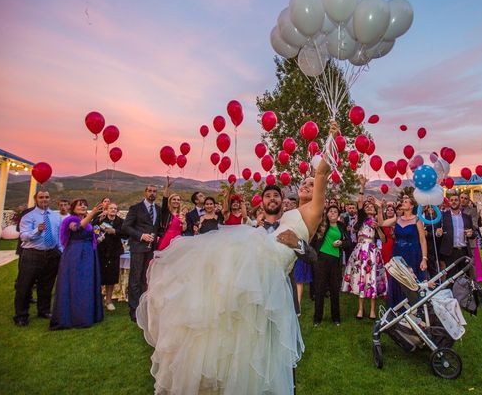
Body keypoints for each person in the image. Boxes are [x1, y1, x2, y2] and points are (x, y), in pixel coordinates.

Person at [136, 124, 335, 394]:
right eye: (305, 182)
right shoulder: (291, 211)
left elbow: (322, 171)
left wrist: (331, 134)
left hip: (270, 266)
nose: (307, 184)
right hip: (262, 261)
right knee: (230, 311)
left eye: (311, 185)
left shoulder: (314, 211)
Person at [50, 199, 104, 329]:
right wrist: (93, 214)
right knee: (76, 282)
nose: (84, 206)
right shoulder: (70, 220)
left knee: (86, 283)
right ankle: (74, 316)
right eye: (80, 205)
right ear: (73, 208)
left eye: (85, 204)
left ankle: (87, 314)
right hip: (75, 254)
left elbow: (89, 233)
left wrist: (98, 238)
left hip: (89, 253)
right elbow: (78, 228)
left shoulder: (87, 220)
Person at [14, 191, 62, 326]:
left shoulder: (55, 216)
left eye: (47, 197)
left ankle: (44, 310)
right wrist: (37, 230)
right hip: (32, 253)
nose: (44, 199)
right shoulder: (29, 216)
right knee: (25, 285)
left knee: (47, 284)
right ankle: (21, 315)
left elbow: (58, 236)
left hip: (51, 253)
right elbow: (23, 236)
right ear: (36, 199)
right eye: (41, 197)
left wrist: (60, 251)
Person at [342, 176, 387, 320]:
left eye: (371, 206)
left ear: (374, 210)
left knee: (371, 278)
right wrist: (362, 185)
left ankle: (373, 310)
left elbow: (384, 239)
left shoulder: (378, 221)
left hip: (372, 251)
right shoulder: (361, 219)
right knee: (361, 278)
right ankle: (360, 309)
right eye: (367, 206)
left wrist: (378, 228)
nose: (368, 207)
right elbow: (360, 201)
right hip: (360, 250)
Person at [378, 194, 428, 309]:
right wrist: (380, 208)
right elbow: (382, 223)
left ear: (411, 206)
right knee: (397, 279)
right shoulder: (398, 219)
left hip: (413, 253)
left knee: (411, 279)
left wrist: (424, 259)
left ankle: (413, 308)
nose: (403, 203)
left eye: (406, 201)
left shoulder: (417, 220)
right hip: (398, 253)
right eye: (403, 201)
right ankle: (397, 307)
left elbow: (422, 240)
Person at [122, 184, 161, 322]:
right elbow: (126, 227)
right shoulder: (135, 208)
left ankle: (144, 307)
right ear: (145, 192)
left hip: (151, 249)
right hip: (138, 247)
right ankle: (134, 310)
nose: (152, 193)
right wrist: (141, 236)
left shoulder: (158, 209)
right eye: (149, 191)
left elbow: (157, 228)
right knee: (135, 279)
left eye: (154, 191)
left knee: (146, 278)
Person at [312, 206, 351, 326]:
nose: (333, 213)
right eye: (331, 211)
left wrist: (341, 243)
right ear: (327, 214)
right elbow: (313, 238)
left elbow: (348, 242)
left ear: (338, 214)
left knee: (335, 289)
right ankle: (317, 319)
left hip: (335, 261)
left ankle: (336, 318)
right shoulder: (322, 224)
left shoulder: (341, 226)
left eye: (335, 211)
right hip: (322, 259)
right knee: (320, 289)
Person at [95, 202, 124, 311]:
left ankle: (108, 301)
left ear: (117, 211)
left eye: (115, 208)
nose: (113, 210)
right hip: (100, 251)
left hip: (114, 252)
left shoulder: (120, 221)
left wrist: (115, 231)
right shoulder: (100, 220)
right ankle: (97, 300)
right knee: (98, 276)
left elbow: (126, 233)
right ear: (106, 209)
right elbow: (93, 228)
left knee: (111, 278)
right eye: (111, 208)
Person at [437, 192, 474, 273]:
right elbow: (437, 232)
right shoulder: (443, 216)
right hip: (450, 252)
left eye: (456, 200)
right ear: (449, 202)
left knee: (464, 277)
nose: (453, 202)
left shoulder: (467, 217)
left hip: (464, 251)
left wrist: (471, 234)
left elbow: (473, 234)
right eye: (451, 200)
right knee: (451, 276)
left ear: (459, 202)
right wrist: (438, 233)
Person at [156, 179, 188, 251]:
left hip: (178, 240)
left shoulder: (181, 215)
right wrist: (167, 188)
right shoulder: (166, 213)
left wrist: (184, 223)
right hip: (166, 239)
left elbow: (183, 230)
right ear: (170, 201)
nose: (176, 201)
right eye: (174, 199)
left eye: (178, 200)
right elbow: (164, 200)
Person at [461, 192, 482, 281]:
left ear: (469, 201)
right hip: (457, 241)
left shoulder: (472, 210)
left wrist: (464, 229)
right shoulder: (454, 210)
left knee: (471, 262)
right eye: (462, 197)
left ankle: (473, 283)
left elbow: (475, 225)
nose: (463, 200)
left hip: (469, 239)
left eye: (465, 198)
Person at [422, 205, 442, 278]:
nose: (430, 208)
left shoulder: (434, 219)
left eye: (432, 207)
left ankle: (435, 284)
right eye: (428, 206)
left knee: (432, 267)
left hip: (431, 247)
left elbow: (437, 232)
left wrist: (428, 234)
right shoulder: (418, 217)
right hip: (420, 246)